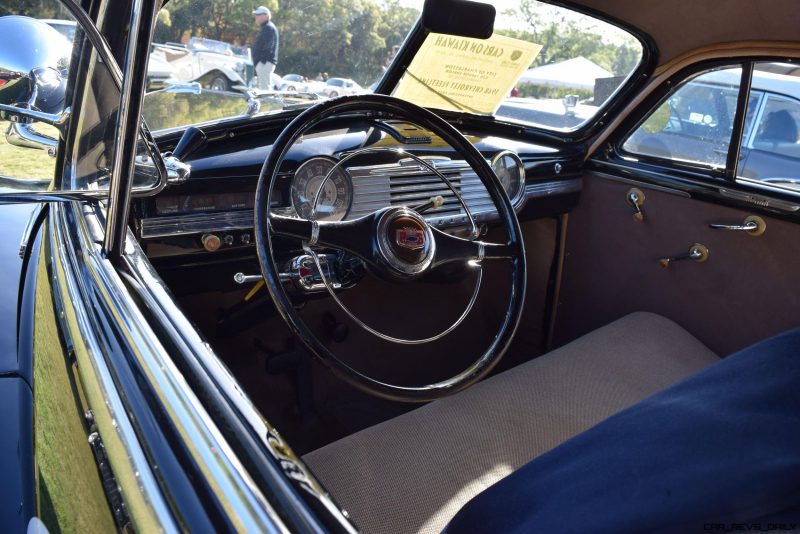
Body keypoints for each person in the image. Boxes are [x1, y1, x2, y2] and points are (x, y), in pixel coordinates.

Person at [251, 6, 279, 90]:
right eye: (256, 14)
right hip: (264, 63)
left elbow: (267, 47)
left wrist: (260, 61)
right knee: (263, 89)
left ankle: (267, 104)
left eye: (259, 14)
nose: (256, 16)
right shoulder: (266, 27)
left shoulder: (268, 27)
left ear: (266, 16)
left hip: (264, 63)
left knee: (265, 90)